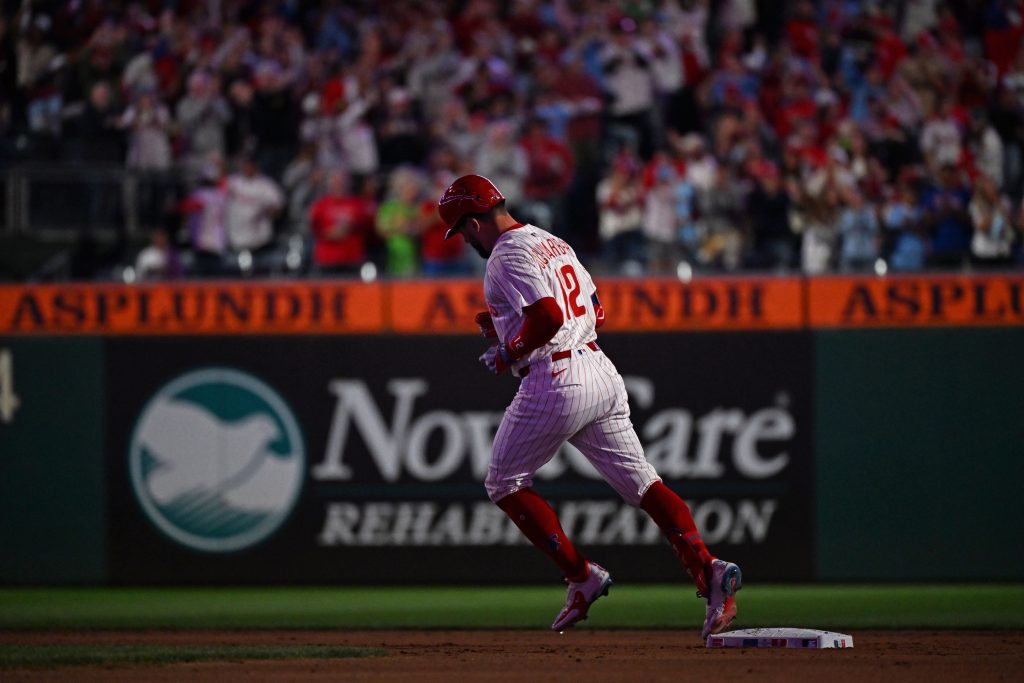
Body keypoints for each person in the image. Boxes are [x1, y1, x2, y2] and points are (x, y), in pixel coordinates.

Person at [437, 174, 742, 637]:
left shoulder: (503, 254)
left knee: (503, 481)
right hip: (600, 368)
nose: (464, 240)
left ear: (474, 223)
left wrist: (507, 351)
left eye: (461, 230)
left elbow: (548, 317)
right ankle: (708, 568)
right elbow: (594, 309)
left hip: (556, 379)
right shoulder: (551, 241)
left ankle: (581, 576)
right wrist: (507, 325)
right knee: (645, 484)